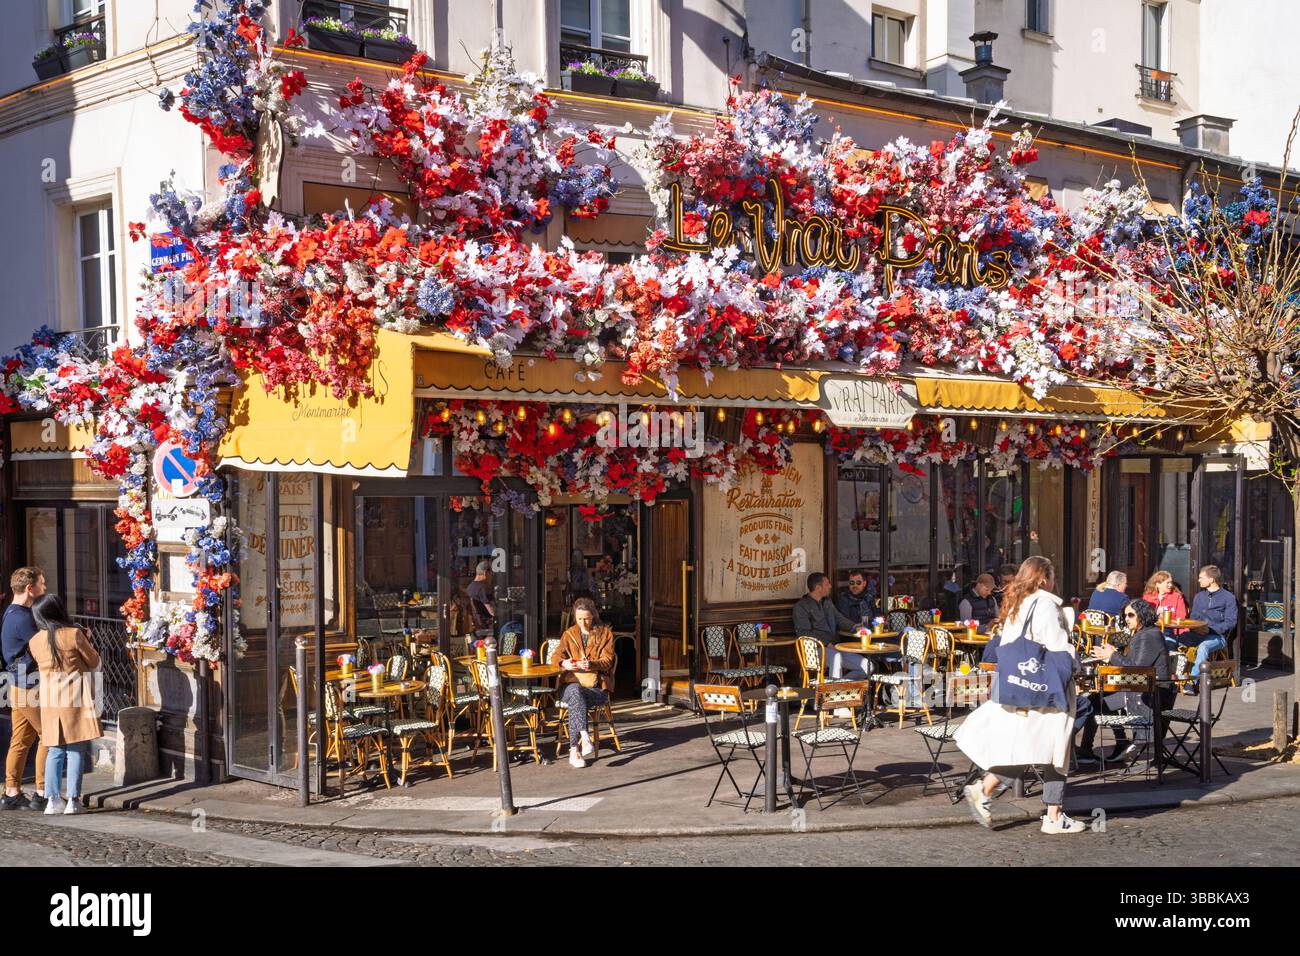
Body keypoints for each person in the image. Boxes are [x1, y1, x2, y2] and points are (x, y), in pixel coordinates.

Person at [955, 556, 1085, 835]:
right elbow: (1057, 645)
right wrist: (1077, 660)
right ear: (1042, 578)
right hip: (1048, 688)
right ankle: (1053, 816)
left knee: (1032, 747)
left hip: (1022, 686)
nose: (1053, 582)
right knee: (1056, 748)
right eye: (1051, 577)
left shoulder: (1016, 603)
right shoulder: (1046, 605)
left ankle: (986, 790)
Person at [27, 595, 100, 815]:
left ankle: (52, 800)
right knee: (76, 749)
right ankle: (74, 800)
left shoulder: (35, 641)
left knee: (54, 751)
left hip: (49, 701)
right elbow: (94, 661)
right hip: (74, 698)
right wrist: (87, 639)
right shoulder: (73, 634)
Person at [2, 567, 48, 812]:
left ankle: (11, 792)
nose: (45, 588)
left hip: (18, 684)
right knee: (49, 737)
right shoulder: (24, 618)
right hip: (30, 687)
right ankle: (42, 793)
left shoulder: (11, 613)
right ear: (30, 589)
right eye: (42, 584)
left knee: (20, 740)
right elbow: (43, 648)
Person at [549, 598, 614, 769]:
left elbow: (608, 661)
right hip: (571, 685)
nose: (582, 623)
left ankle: (574, 750)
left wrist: (592, 664)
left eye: (586, 618)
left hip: (596, 688)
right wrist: (564, 663)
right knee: (576, 692)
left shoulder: (605, 634)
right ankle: (585, 736)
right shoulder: (569, 634)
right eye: (579, 619)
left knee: (576, 701)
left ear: (593, 615)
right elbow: (555, 657)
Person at [792, 573, 868, 679]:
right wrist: (826, 644)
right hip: (815, 650)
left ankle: (839, 686)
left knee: (867, 666)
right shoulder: (801, 606)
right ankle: (834, 691)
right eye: (827, 584)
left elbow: (839, 618)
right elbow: (804, 633)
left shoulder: (827, 602)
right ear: (818, 588)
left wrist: (856, 627)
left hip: (835, 647)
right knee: (835, 657)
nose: (830, 586)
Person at [1187, 565, 1238, 678]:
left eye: (1201, 577)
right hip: (1196, 633)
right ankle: (1169, 679)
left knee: (1203, 647)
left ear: (1211, 580)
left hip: (1217, 637)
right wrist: (1195, 627)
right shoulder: (1199, 596)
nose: (1198, 580)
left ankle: (1192, 681)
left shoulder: (1228, 597)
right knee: (1171, 642)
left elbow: (1230, 623)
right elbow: (1193, 617)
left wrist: (1210, 629)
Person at [1143, 570, 1188, 641]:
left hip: (1172, 631)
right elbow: (1144, 616)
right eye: (1168, 583)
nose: (1170, 585)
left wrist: (1166, 620)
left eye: (1171, 582)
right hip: (1152, 630)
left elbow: (1181, 615)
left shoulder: (1177, 596)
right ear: (1158, 584)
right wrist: (1157, 613)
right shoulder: (1148, 597)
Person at [466, 561, 495, 629]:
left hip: (476, 624)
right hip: (487, 625)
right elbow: (492, 612)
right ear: (485, 573)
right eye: (491, 574)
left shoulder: (470, 587)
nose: (491, 576)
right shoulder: (482, 588)